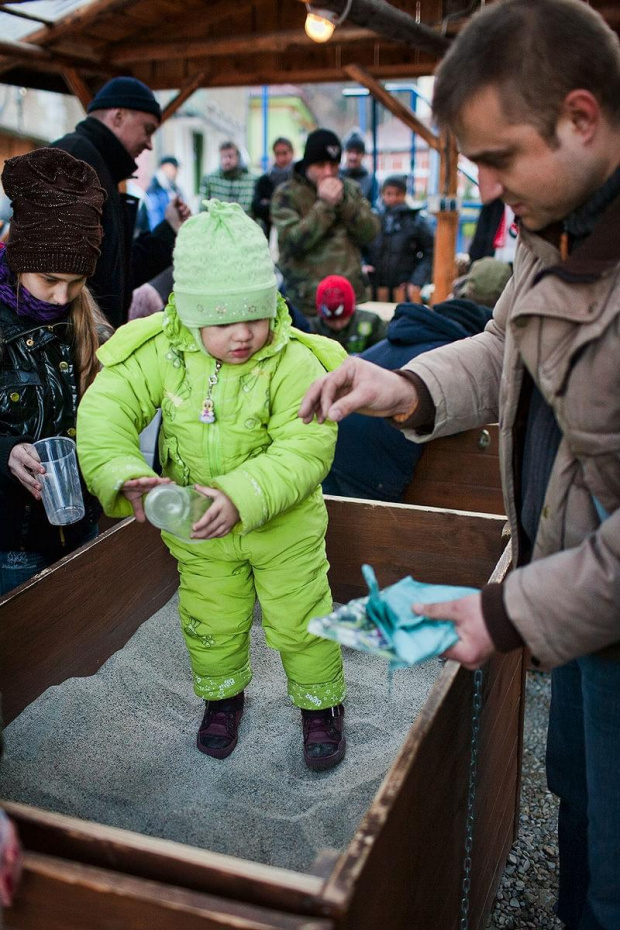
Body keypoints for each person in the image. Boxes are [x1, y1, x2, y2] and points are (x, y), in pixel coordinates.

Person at [299, 1, 620, 927]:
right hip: (574, 598)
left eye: (499, 157)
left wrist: (503, 610)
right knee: (578, 796)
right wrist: (401, 387)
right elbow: (498, 348)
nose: (483, 186)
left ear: (582, 117)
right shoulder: (552, 219)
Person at [77, 200, 348, 771]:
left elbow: (306, 445)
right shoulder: (164, 349)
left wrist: (242, 495)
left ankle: (321, 707)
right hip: (198, 526)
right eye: (223, 322)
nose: (244, 335)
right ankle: (223, 699)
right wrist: (123, 473)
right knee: (209, 618)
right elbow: (106, 409)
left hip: (284, 527)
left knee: (302, 618)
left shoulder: (291, 359)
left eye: (256, 315)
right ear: (193, 314)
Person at [0, 147, 110, 596]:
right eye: (49, 279)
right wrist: (4, 451)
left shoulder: (89, 327)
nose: (63, 296)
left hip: (81, 531)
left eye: (76, 282)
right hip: (11, 544)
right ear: (18, 257)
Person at [323, 297, 493, 503]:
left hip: (334, 443)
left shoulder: (399, 338)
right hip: (373, 469)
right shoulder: (448, 354)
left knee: (332, 526)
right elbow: (457, 417)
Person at [52, 76, 190, 329]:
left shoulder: (101, 169)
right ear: (118, 116)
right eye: (147, 130)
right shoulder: (73, 161)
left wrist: (169, 230)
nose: (149, 144)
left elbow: (117, 274)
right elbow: (47, 279)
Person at [271, 128, 379, 318]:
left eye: (334, 165)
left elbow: (370, 232)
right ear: (307, 164)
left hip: (351, 298)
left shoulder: (350, 189)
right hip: (308, 303)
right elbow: (291, 242)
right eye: (320, 165)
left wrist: (344, 203)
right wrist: (326, 206)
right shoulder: (286, 194)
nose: (328, 172)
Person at [364, 175, 434, 304]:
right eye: (388, 193)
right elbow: (360, 245)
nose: (393, 198)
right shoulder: (373, 219)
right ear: (382, 194)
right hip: (375, 288)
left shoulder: (416, 221)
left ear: (404, 194)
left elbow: (430, 252)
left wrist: (416, 280)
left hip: (403, 289)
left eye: (397, 194)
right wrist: (363, 264)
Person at [310, 274, 386, 354]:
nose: (338, 325)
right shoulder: (312, 330)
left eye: (343, 319)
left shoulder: (372, 323)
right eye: (331, 322)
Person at [199, 141, 256, 216]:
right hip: (218, 224)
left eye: (230, 156)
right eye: (223, 157)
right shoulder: (210, 180)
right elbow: (203, 208)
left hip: (243, 224)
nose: (227, 161)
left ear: (238, 157)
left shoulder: (252, 180)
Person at [252, 137, 294, 238]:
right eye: (277, 154)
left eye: (284, 153)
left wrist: (269, 203)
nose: (281, 158)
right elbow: (256, 206)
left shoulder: (298, 177)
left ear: (292, 153)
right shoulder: (264, 180)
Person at [143, 155, 184, 230]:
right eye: (174, 167)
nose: (176, 171)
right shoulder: (154, 189)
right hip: (160, 234)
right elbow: (154, 218)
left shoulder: (174, 188)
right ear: (164, 167)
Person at [339, 131, 377, 205]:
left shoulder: (370, 180)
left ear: (363, 155)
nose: (353, 157)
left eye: (357, 152)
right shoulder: (337, 176)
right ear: (345, 153)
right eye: (350, 152)